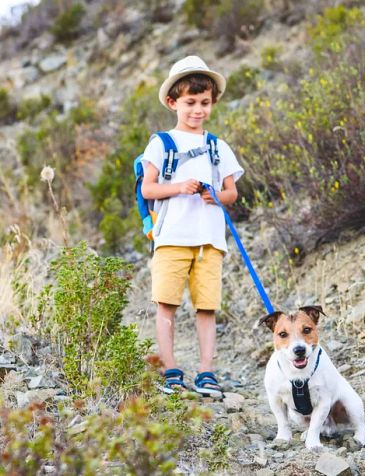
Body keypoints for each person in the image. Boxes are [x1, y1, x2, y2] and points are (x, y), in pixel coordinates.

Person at [140, 55, 243, 397]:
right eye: (190, 103)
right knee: (166, 304)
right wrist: (178, 188)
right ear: (173, 102)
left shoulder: (217, 146)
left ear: (212, 103)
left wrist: (217, 195)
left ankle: (206, 371)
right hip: (171, 238)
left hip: (210, 240)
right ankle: (171, 369)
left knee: (206, 306)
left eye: (204, 103)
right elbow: (148, 188)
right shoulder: (162, 143)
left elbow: (232, 192)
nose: (197, 110)